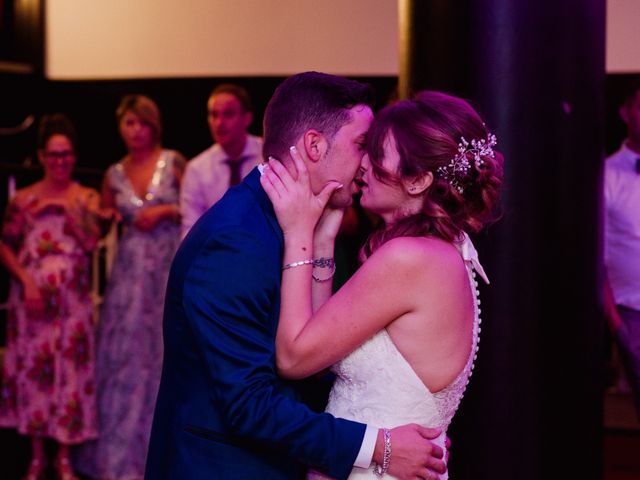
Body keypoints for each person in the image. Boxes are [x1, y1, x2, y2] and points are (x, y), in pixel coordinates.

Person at [146, 72, 448, 480]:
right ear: (314, 145)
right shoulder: (236, 240)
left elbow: (310, 359)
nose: (368, 163)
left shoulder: (292, 226)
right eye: (361, 144)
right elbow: (248, 405)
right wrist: (380, 446)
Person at [260, 90, 503, 479]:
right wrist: (324, 239)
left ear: (419, 180)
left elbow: (293, 358)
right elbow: (321, 339)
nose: (364, 165)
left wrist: (298, 233)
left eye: (378, 154)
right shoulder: (447, 252)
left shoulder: (408, 259)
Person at [75, 95, 186, 480]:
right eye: (127, 124)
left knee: (162, 354)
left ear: (153, 125)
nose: (134, 131)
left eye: (140, 123)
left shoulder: (173, 163)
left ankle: (163, 456)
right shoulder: (114, 173)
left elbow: (196, 209)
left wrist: (166, 211)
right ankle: (119, 460)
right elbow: (101, 227)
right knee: (124, 361)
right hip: (128, 275)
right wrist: (96, 214)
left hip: (167, 269)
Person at [0, 113, 102, 480]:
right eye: (54, 155)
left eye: (67, 155)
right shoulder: (24, 199)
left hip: (70, 304)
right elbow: (6, 246)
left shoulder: (85, 196)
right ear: (42, 156)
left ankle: (64, 455)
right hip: (32, 301)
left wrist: (68, 211)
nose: (61, 162)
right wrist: (26, 281)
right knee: (34, 374)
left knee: (68, 376)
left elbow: (92, 242)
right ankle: (37, 454)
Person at [180, 83, 263, 237]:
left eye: (228, 114)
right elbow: (190, 229)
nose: (219, 123)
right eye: (214, 115)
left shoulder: (267, 155)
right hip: (217, 253)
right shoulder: (197, 169)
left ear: (247, 118)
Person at [604, 83, 640, 420]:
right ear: (626, 113)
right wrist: (618, 327)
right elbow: (595, 256)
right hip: (632, 312)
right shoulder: (606, 174)